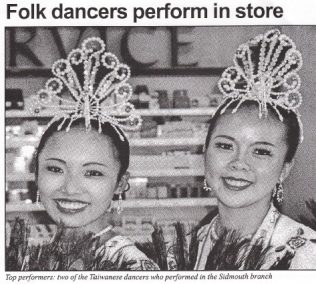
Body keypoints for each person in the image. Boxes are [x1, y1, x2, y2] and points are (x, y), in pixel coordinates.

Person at [9, 37, 158, 270]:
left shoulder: (130, 266)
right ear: (36, 174)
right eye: (56, 169)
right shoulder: (37, 259)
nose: (70, 188)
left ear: (120, 183)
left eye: (93, 173)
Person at [194, 29, 316, 270]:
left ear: (285, 168)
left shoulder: (307, 255)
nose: (239, 163)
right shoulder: (181, 248)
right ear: (205, 152)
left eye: (261, 151)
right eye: (225, 146)